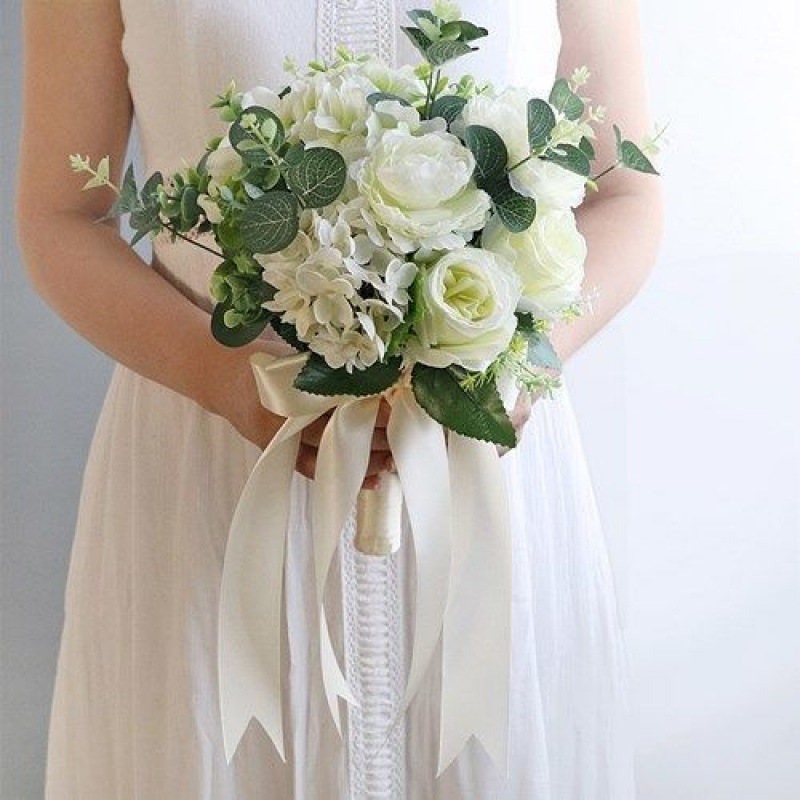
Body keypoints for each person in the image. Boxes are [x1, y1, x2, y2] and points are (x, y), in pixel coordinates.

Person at [16, 0, 663, 797]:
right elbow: (61, 215)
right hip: (211, 468)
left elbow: (625, 192)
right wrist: (226, 378)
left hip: (484, 472)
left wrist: (517, 358)